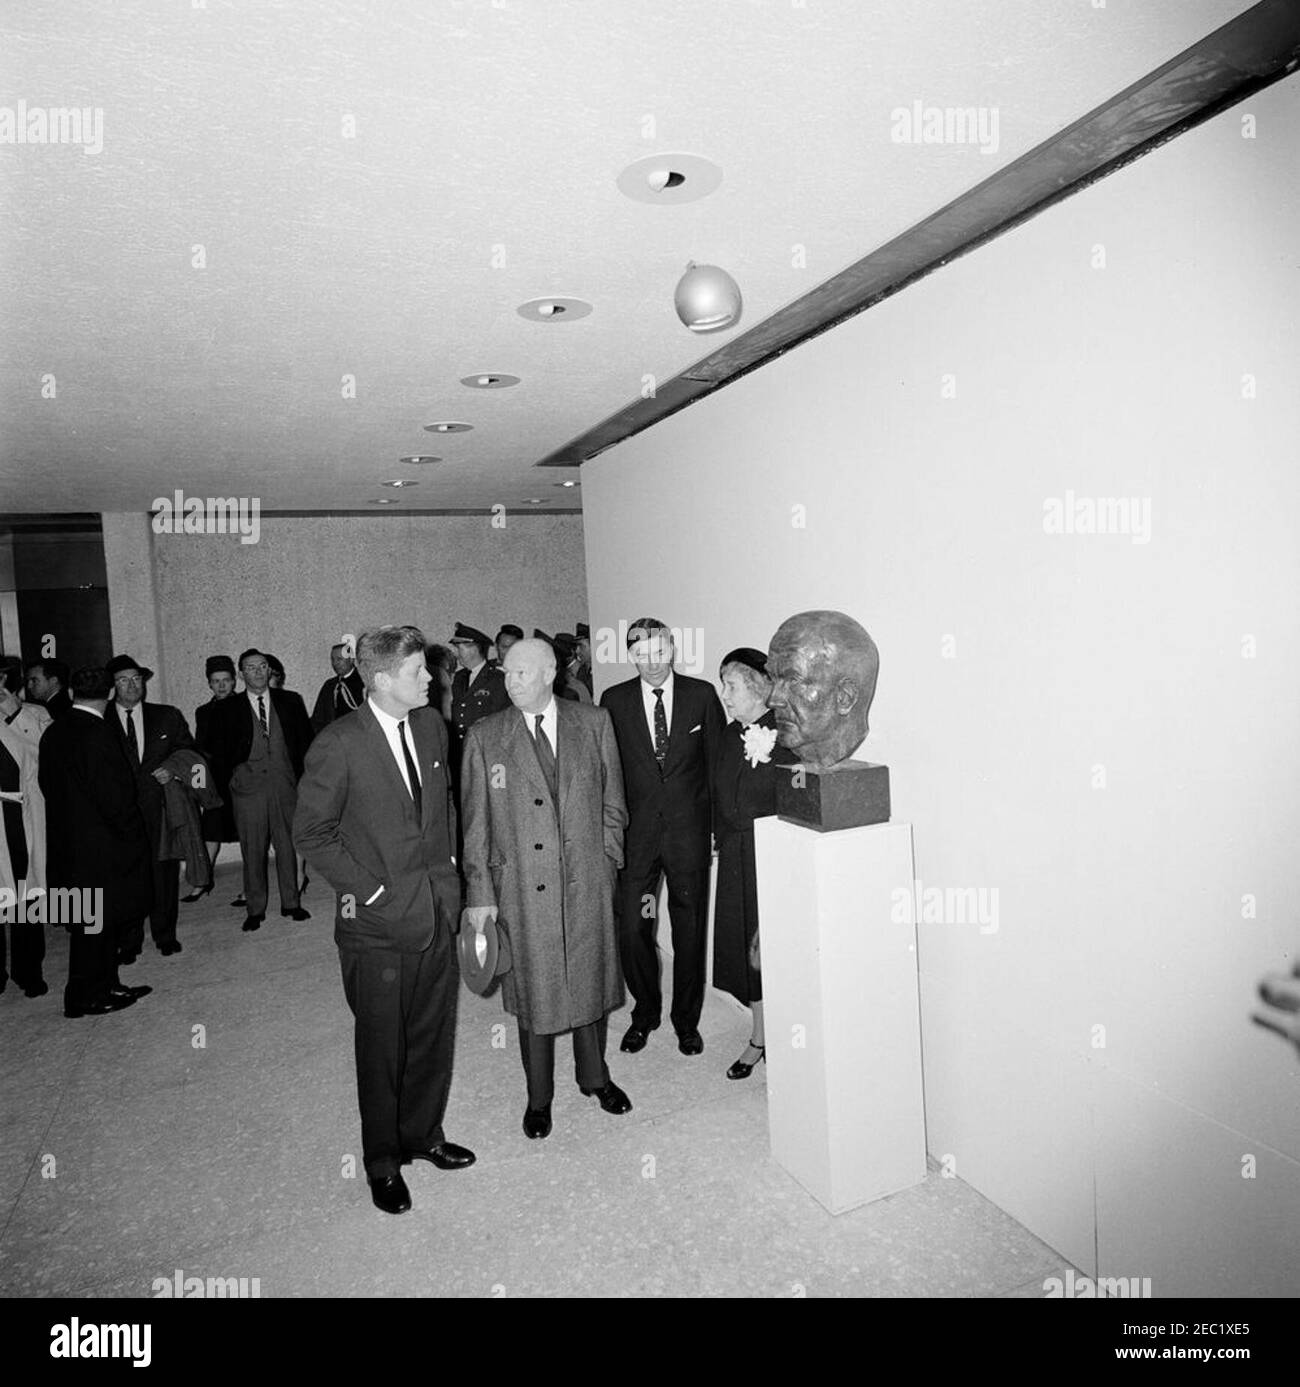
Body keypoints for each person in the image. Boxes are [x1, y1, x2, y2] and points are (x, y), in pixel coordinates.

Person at [294, 625, 473, 1215]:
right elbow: (312, 834)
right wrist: (369, 891)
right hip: (375, 925)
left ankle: (422, 1136)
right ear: (381, 680)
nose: (431, 678)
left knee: (429, 1035)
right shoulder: (339, 743)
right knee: (381, 1047)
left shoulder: (429, 725)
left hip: (436, 908)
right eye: (419, 671)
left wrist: (451, 879)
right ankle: (382, 1161)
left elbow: (443, 807)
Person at [462, 639, 631, 1139]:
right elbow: (475, 825)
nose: (510, 682)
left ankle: (595, 1078)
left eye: (520, 673)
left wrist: (607, 859)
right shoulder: (486, 736)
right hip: (520, 886)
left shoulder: (593, 722)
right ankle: (539, 1098)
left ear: (550, 673)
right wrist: (480, 895)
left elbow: (613, 801)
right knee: (535, 991)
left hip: (586, 879)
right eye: (507, 673)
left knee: (589, 979)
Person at [600, 618, 725, 1056]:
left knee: (689, 928)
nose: (650, 663)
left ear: (672, 649)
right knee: (634, 927)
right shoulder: (612, 701)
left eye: (657, 652)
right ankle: (645, 1012)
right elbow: (608, 772)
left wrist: (717, 829)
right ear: (629, 655)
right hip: (637, 836)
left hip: (689, 834)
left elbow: (716, 768)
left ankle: (686, 1021)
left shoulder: (701, 695)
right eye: (639, 655)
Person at [38, 667, 152, 1019]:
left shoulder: (55, 730)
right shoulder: (99, 733)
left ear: (72, 691)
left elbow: (46, 785)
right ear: (109, 694)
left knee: (88, 927)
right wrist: (133, 834)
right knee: (98, 927)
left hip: (68, 844)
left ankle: (104, 985)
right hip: (101, 849)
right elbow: (116, 797)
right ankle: (86, 997)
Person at [711, 648, 798, 1079]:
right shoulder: (728, 737)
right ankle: (760, 1037)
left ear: (760, 688)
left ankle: (787, 1039)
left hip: (772, 861)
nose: (724, 694)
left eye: (732, 685)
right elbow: (716, 794)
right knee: (748, 956)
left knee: (773, 952)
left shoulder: (787, 738)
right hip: (735, 858)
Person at [205, 649, 313, 932]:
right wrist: (232, 781)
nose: (257, 672)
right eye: (250, 668)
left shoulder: (290, 701)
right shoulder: (228, 708)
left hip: (285, 786)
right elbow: (217, 752)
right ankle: (255, 909)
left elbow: (305, 743)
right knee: (253, 850)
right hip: (248, 791)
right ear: (241, 674)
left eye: (262, 666)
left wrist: (305, 781)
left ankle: (292, 903)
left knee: (288, 847)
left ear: (270, 670)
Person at [106, 654, 194, 959]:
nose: (131, 686)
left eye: (136, 679)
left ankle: (165, 935)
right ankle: (129, 942)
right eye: (123, 680)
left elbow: (188, 750)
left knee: (163, 875)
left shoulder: (167, 715)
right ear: (112, 685)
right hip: (118, 815)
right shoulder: (100, 719)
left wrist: (173, 767)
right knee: (126, 878)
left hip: (159, 809)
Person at [0, 669, 48, 997]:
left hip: (22, 813)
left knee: (25, 893)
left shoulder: (33, 713)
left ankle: (28, 970)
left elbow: (45, 754)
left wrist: (14, 714)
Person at [190, 655, 239, 901]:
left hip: (241, 780)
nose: (221, 686)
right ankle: (204, 881)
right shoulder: (203, 712)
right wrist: (200, 785)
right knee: (210, 831)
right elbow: (199, 749)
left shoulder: (244, 706)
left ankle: (249, 888)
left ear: (234, 682)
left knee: (249, 834)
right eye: (215, 681)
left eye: (226, 681)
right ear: (209, 683)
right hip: (215, 781)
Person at [448, 623, 510, 765]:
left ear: (474, 649)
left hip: (486, 754)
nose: (456, 654)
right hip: (460, 754)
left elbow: (502, 720)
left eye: (459, 648)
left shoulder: (498, 679)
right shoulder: (458, 677)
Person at [311, 643, 365, 733]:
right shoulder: (330, 685)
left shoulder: (364, 682)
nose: (335, 663)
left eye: (339, 659)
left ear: (351, 660)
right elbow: (318, 718)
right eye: (332, 659)